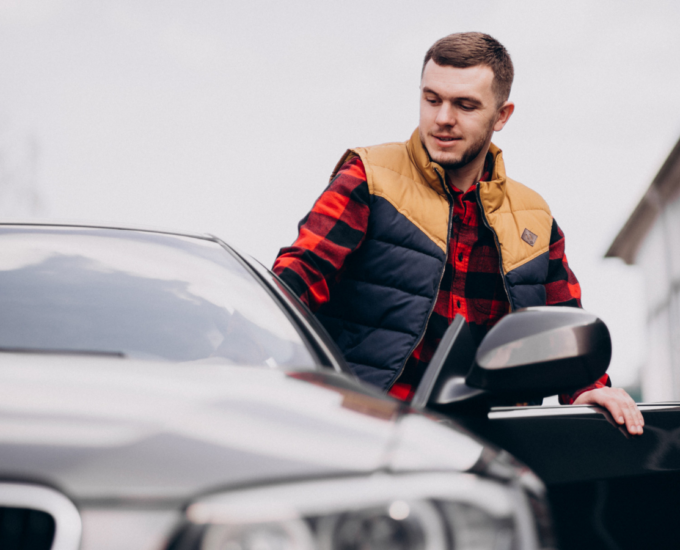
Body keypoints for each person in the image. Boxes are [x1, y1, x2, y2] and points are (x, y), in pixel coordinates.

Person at [274, 32, 644, 435]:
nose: (442, 118)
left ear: (502, 115)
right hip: (363, 432)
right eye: (432, 99)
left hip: (485, 450)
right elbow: (299, 276)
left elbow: (565, 331)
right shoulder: (369, 177)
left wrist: (590, 389)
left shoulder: (533, 218)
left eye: (465, 105)